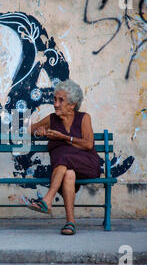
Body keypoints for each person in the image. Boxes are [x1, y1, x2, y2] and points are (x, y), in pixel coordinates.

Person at [23, 79, 101, 235]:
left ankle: (47, 200)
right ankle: (70, 223)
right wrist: (39, 131)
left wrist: (64, 137)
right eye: (54, 99)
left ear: (72, 105)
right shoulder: (52, 119)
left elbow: (88, 145)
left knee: (64, 155)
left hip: (87, 165)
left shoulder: (84, 118)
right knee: (68, 174)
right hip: (65, 168)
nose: (56, 104)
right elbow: (30, 130)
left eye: (61, 100)